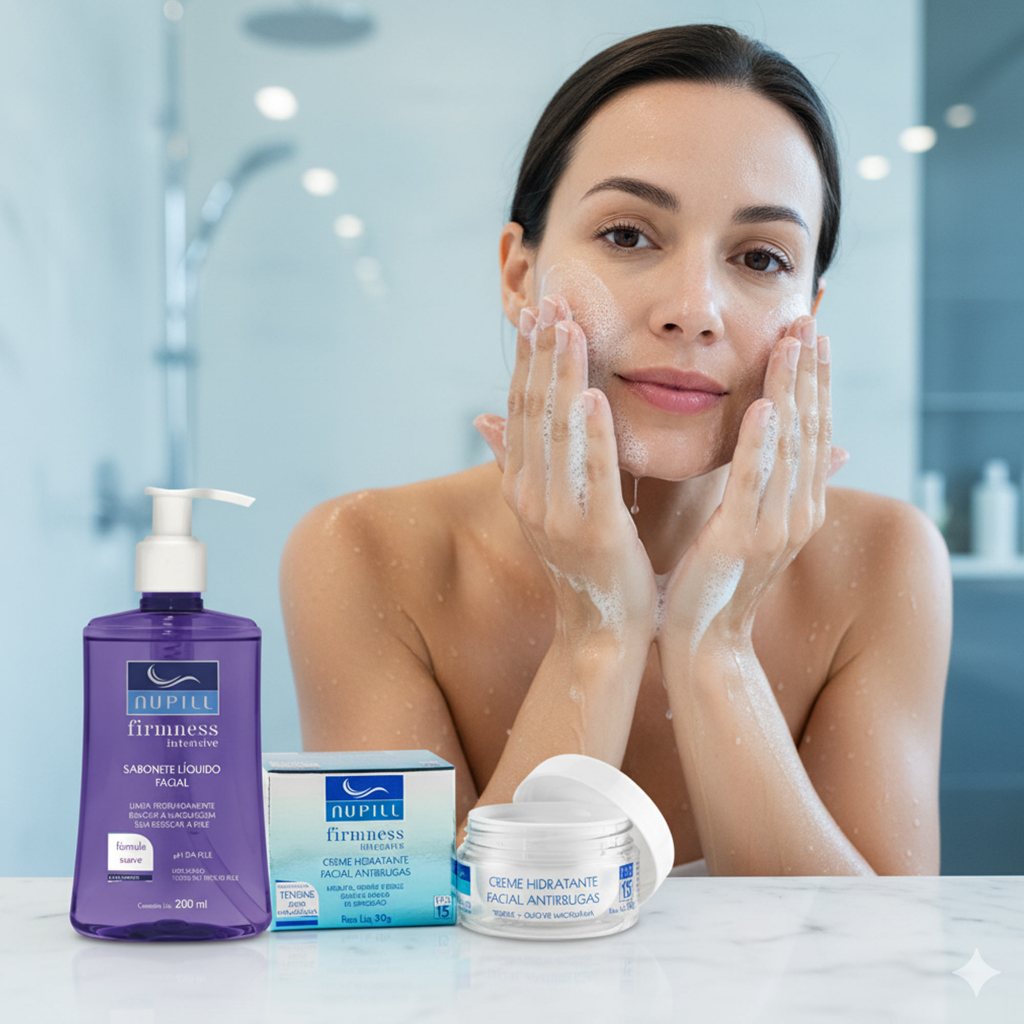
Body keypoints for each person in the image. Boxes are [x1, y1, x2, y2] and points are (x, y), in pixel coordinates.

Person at [279, 25, 951, 875]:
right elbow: (414, 947)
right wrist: (597, 632)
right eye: (629, 236)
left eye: (759, 257)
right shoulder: (365, 555)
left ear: (808, 314)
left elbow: (886, 953)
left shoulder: (883, 563)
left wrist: (716, 646)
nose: (694, 309)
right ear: (518, 274)